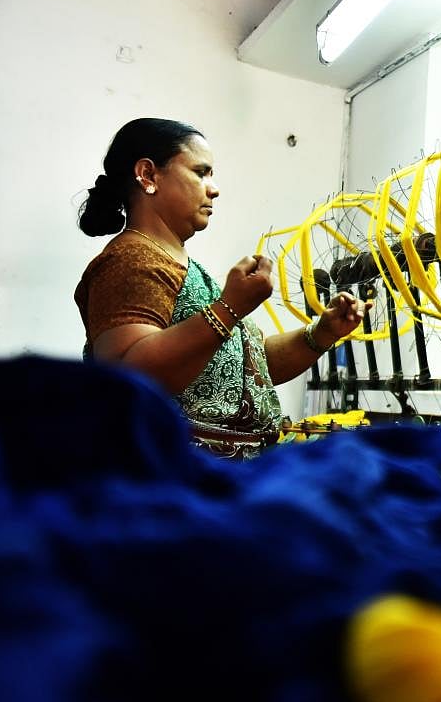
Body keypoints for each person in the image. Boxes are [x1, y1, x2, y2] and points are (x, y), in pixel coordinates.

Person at [75, 118, 366, 457]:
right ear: (148, 175)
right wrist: (229, 308)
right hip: (172, 480)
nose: (213, 189)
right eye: (201, 173)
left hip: (216, 479)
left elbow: (251, 371)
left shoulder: (185, 268)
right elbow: (126, 377)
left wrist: (323, 332)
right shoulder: (131, 259)